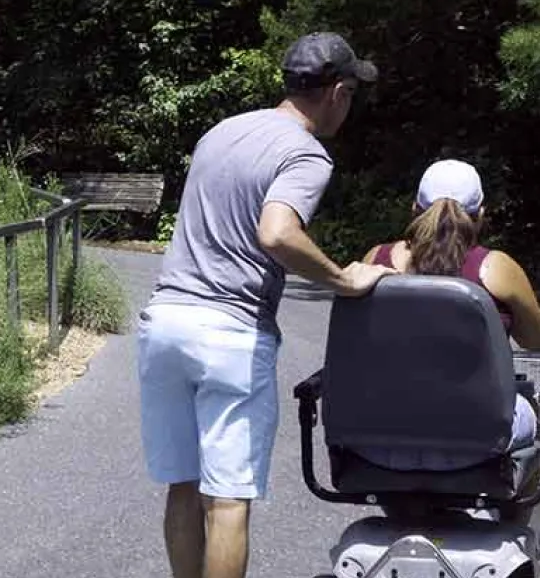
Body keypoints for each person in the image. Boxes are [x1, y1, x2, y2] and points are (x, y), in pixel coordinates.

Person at [137, 31, 396, 578]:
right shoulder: (305, 153)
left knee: (182, 486)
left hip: (165, 321)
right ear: (339, 92)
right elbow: (276, 234)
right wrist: (342, 280)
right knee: (228, 499)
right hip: (229, 330)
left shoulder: (222, 132)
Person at [352, 158, 540, 474]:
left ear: (414, 210)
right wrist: (539, 316)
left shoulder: (375, 258)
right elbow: (537, 339)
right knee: (535, 418)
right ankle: (517, 519)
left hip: (380, 442)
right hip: (478, 442)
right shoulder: (496, 268)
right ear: (481, 215)